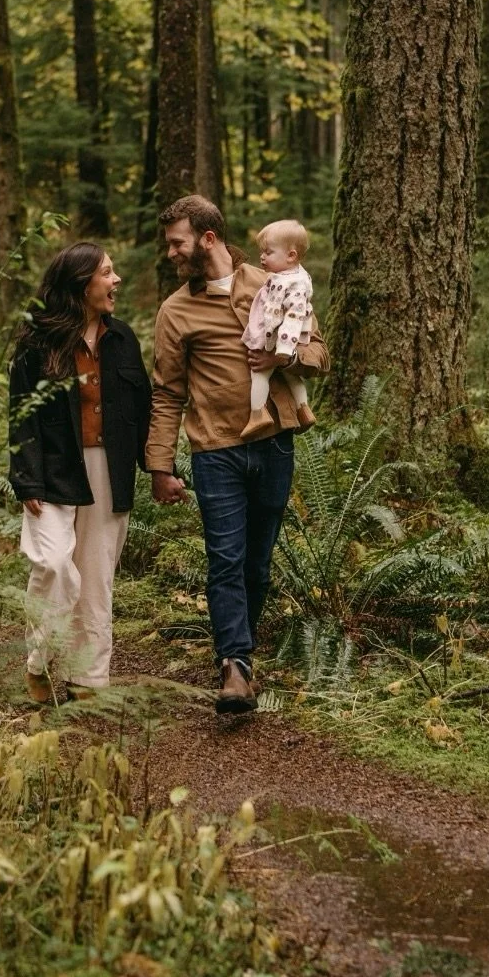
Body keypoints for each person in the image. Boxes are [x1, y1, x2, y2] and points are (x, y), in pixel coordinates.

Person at [146, 195, 330, 714]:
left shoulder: (274, 282)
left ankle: (241, 650)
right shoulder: (176, 311)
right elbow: (165, 393)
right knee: (225, 558)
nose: (171, 254)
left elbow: (319, 351)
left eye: (177, 243)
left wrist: (283, 355)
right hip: (216, 452)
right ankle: (235, 664)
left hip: (274, 444)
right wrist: (160, 465)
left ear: (208, 239)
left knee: (258, 563)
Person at [8, 243, 151, 703]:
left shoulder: (122, 338)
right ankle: (41, 664)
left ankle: (88, 678)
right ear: (81, 283)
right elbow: (21, 415)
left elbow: (142, 408)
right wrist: (26, 477)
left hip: (108, 469)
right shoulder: (37, 341)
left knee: (96, 576)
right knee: (53, 564)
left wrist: (161, 467)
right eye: (108, 273)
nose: (116, 281)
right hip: (52, 470)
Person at [240, 219, 315, 441]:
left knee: (259, 374)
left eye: (268, 252)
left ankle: (257, 414)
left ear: (291, 255)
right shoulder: (290, 276)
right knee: (291, 376)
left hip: (278, 340)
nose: (262, 257)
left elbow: (292, 317)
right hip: (283, 339)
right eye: (262, 252)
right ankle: (303, 408)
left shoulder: (293, 284)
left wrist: (281, 350)